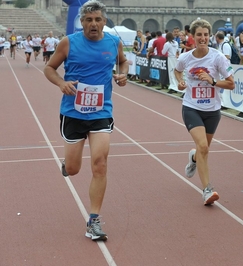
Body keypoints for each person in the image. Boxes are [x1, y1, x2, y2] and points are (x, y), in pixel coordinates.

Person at [43, 0, 129, 241]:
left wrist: (123, 75)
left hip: (101, 112)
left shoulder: (113, 42)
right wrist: (61, 83)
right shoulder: (69, 42)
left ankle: (94, 220)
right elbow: (49, 68)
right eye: (88, 20)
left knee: (100, 163)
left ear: (104, 21)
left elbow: (123, 61)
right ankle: (67, 163)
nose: (93, 24)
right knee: (73, 169)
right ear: (81, 22)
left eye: (98, 19)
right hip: (73, 112)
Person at [174, 19, 235, 205]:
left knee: (202, 149)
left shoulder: (218, 58)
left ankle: (192, 158)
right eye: (199, 35)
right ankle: (207, 190)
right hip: (192, 107)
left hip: (213, 110)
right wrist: (180, 81)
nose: (203, 38)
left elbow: (231, 83)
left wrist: (212, 81)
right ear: (193, 36)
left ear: (210, 36)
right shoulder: (185, 57)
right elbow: (177, 71)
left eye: (206, 35)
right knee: (203, 147)